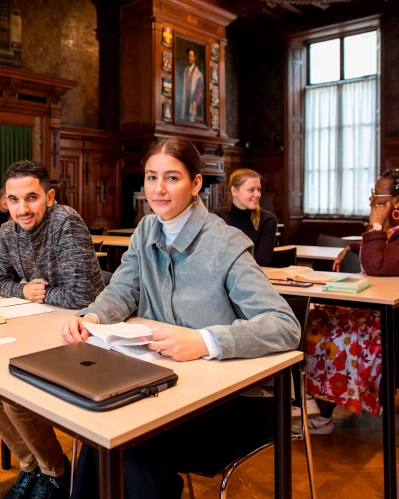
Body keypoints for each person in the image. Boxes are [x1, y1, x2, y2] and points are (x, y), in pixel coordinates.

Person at [62, 137, 301, 498]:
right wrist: (93, 317)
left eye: (172, 178)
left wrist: (206, 340)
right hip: (163, 385)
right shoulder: (145, 230)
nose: (158, 189)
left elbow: (285, 325)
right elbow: (123, 290)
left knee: (127, 442)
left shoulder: (225, 243)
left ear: (196, 184)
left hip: (232, 402)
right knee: (100, 429)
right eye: (150, 177)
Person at [0, 160, 105, 499]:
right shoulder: (6, 232)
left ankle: (55, 474)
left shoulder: (66, 223)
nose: (22, 208)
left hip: (86, 332)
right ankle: (32, 468)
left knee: (16, 389)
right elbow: (1, 280)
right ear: (5, 200)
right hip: (41, 323)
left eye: (31, 198)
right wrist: (23, 290)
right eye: (14, 200)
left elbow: (81, 296)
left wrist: (36, 293)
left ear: (50, 196)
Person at [304, 169, 399, 434]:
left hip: (389, 320)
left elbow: (378, 265)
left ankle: (321, 407)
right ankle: (317, 398)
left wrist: (375, 224)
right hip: (382, 313)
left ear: (397, 202)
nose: (372, 203)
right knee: (317, 315)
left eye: (378, 197)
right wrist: (355, 246)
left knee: (322, 327)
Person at [214, 169, 278, 267]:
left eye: (259, 189)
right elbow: (214, 256)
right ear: (234, 191)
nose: (258, 195)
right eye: (251, 190)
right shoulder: (218, 216)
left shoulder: (268, 219)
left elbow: (262, 261)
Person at [181, 48, 204, 123]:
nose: (189, 58)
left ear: (194, 58)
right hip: (185, 101)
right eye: (188, 56)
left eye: (191, 56)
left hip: (193, 104)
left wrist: (194, 102)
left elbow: (199, 91)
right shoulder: (185, 71)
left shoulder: (198, 74)